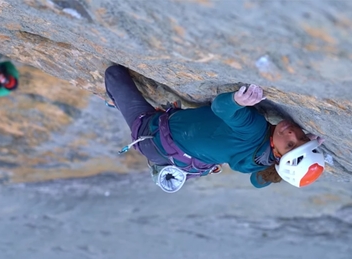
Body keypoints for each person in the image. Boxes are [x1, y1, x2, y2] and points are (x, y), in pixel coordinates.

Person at [104, 65, 325, 191]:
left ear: (277, 154)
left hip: (150, 135)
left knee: (113, 75)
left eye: (289, 144)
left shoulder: (256, 129)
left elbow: (221, 108)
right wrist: (295, 154)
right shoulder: (259, 165)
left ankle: (114, 101)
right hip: (188, 166)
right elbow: (257, 182)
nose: (292, 133)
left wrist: (237, 101)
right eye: (302, 139)